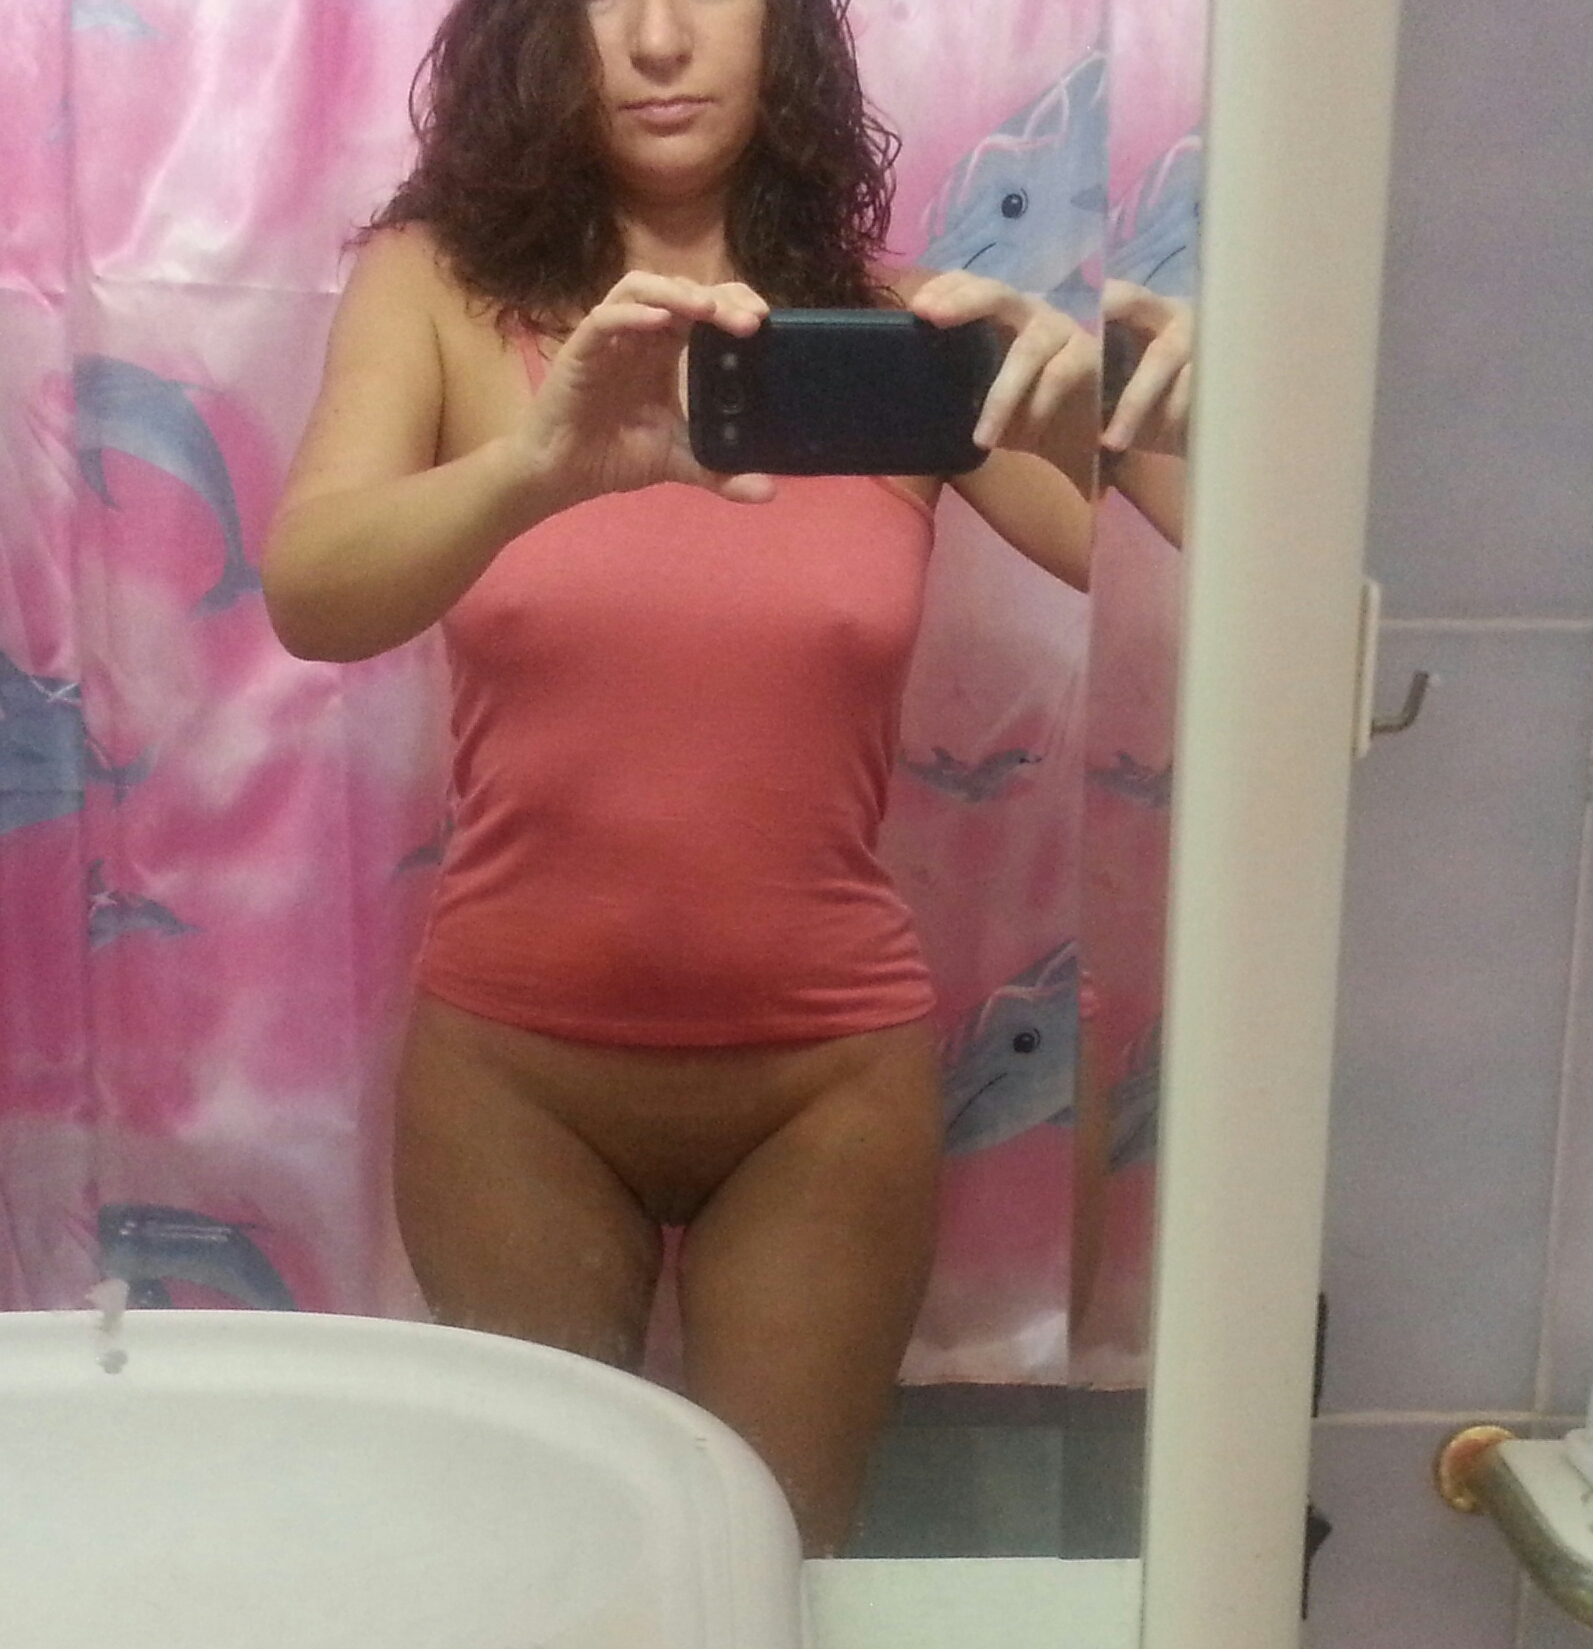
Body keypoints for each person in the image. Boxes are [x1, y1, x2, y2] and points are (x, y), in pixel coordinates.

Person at [262, 0, 1190, 1555]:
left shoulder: (901, 338)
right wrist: (537, 467)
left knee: (773, 1568)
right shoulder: (434, 289)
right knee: (542, 1575)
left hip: (821, 1089)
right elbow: (313, 591)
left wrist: (1154, 409)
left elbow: (1243, 592)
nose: (658, 39)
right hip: (516, 1079)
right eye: (602, 0)